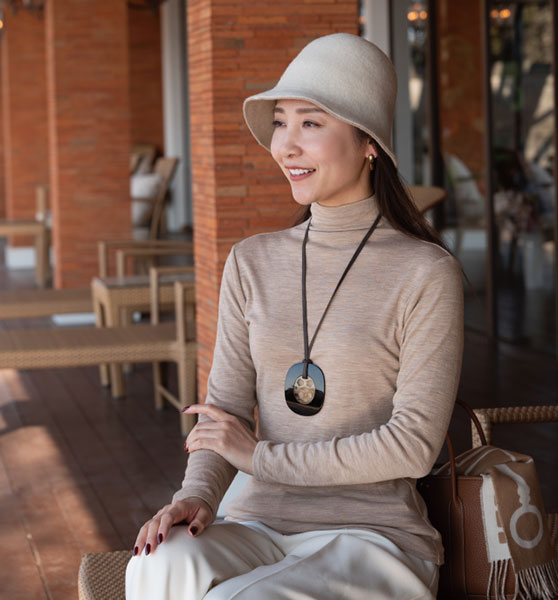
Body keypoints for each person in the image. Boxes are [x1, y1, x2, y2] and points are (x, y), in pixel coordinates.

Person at [126, 32, 463, 600]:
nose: (285, 145)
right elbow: (225, 410)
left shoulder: (425, 272)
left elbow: (412, 446)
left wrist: (259, 457)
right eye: (281, 122)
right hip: (258, 523)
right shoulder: (251, 261)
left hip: (374, 536)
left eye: (310, 123)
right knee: (156, 563)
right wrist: (198, 496)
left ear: (369, 143)